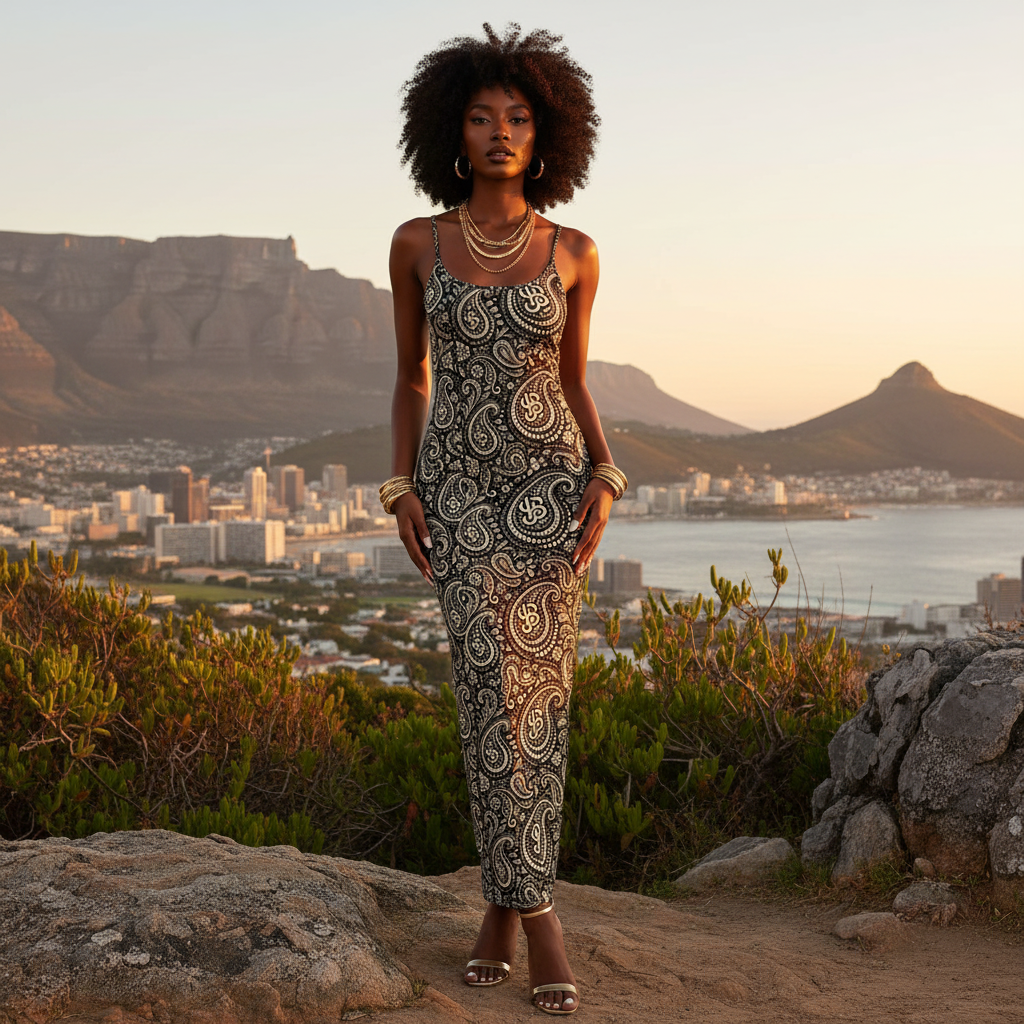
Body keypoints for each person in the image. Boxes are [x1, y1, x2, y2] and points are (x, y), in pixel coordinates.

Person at [382, 23, 627, 1016]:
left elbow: (574, 379)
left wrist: (605, 472)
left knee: (538, 702)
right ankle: (537, 914)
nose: (499, 131)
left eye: (517, 117)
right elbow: (410, 377)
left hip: (549, 495)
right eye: (481, 116)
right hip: (457, 494)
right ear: (452, 129)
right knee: (487, 689)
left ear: (544, 135)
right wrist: (400, 485)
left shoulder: (574, 252)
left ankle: (507, 906)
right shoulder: (417, 243)